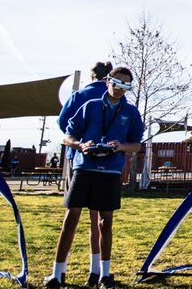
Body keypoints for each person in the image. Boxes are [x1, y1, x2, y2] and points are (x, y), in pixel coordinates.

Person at [44, 66, 144, 289]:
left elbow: (136, 144)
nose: (120, 89)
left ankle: (103, 275)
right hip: (85, 167)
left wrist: (121, 147)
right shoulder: (89, 106)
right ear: (108, 80)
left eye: (126, 85)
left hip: (110, 171)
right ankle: (56, 274)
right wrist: (80, 145)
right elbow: (67, 135)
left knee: (104, 222)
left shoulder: (131, 113)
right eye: (117, 82)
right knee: (71, 218)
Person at [55, 61, 112, 286]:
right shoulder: (114, 98)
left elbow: (64, 124)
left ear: (92, 76)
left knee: (72, 216)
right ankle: (95, 269)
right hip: (107, 164)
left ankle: (60, 271)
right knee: (99, 219)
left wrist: (80, 139)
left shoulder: (79, 96)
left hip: (79, 159)